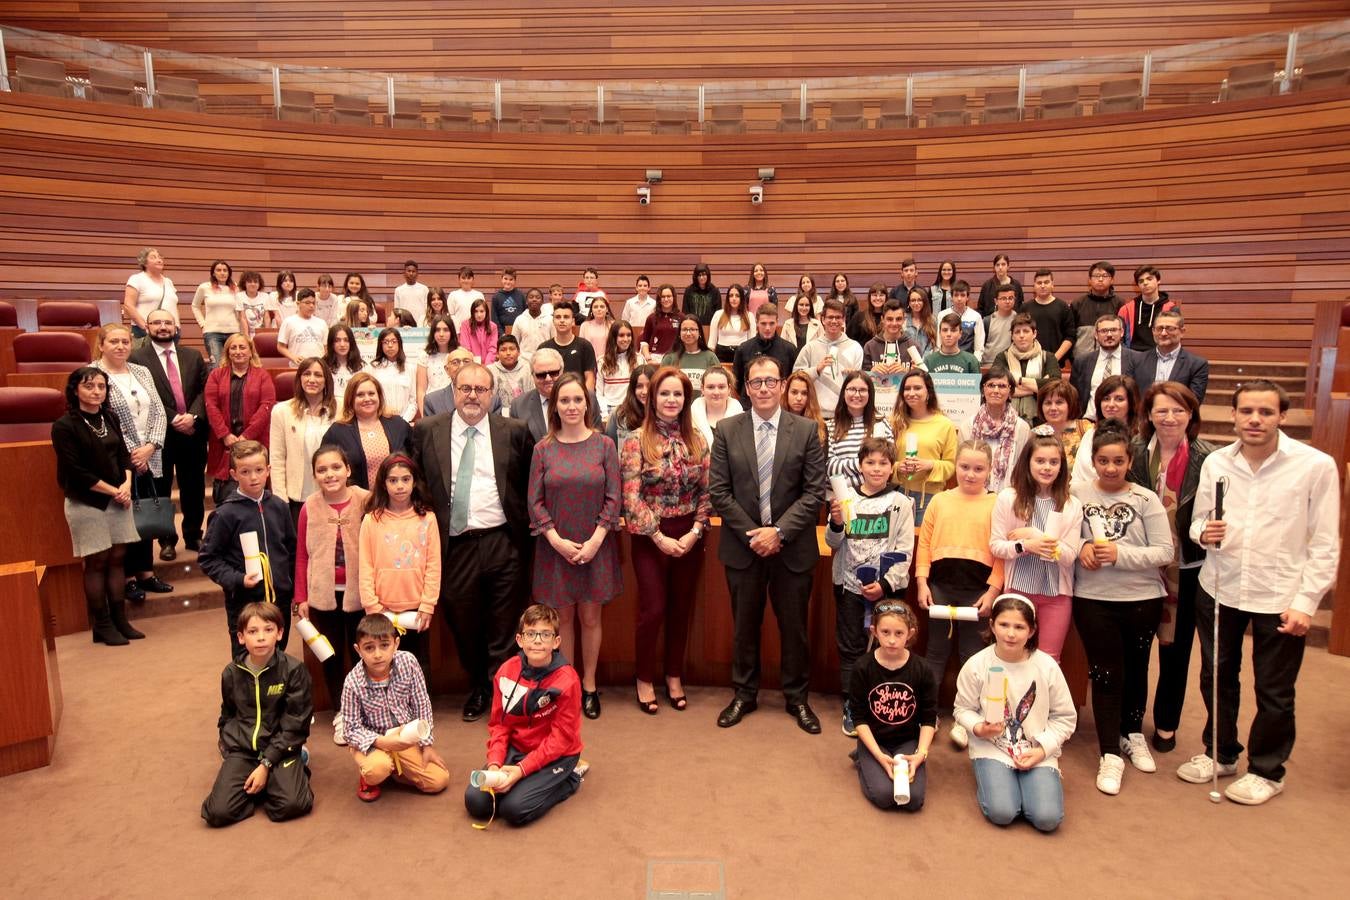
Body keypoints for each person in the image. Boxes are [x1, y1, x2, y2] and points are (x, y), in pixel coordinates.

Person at [1179, 380, 1339, 805]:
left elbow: (1326, 543)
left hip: (1279, 593)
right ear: (1233, 415)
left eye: (1265, 412)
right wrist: (1203, 532)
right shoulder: (1216, 462)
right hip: (1221, 585)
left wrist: (1307, 602)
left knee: (1274, 689)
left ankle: (1268, 771)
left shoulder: (1315, 465)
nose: (1255, 419)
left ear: (1282, 416)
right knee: (1216, 677)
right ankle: (1220, 752)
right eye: (1247, 411)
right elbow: (1198, 523)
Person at [709, 356, 827, 733]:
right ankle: (744, 694)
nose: (763, 388)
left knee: (794, 629)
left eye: (770, 381)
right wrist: (756, 534)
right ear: (746, 387)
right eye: (756, 382)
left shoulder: (806, 430)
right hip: (743, 548)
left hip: (792, 549)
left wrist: (778, 532)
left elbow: (814, 493)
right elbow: (719, 492)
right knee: (744, 626)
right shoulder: (726, 430)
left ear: (782, 385)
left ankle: (797, 698)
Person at [413, 361, 536, 722]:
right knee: (462, 621)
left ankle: (499, 693)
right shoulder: (428, 430)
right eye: (465, 388)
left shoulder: (514, 431)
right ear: (453, 391)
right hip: (455, 545)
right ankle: (480, 683)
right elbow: (418, 481)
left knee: (504, 624)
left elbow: (527, 482)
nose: (472, 396)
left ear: (492, 395)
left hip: (503, 541)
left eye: (480, 389)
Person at [1071, 421, 1173, 795]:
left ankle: (1132, 733)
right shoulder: (1077, 494)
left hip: (1141, 599)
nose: (1110, 468)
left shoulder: (1145, 499)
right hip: (1094, 599)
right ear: (1093, 461)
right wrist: (1081, 548)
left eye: (1118, 461)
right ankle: (1110, 752)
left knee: (1136, 669)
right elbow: (1062, 538)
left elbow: (1165, 552)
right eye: (1103, 461)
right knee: (1105, 673)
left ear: (1129, 461)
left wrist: (1120, 554)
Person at [1125, 382, 1215, 754]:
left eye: (1178, 410)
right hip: (1141, 563)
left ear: (1191, 414)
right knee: (1136, 647)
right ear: (1149, 414)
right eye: (1161, 410)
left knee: (1176, 649)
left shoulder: (1207, 458)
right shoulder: (1133, 451)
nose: (1170, 417)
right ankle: (1130, 723)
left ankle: (1166, 723)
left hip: (1186, 566)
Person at [527, 373, 621, 719]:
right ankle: (566, 687)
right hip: (556, 547)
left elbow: (614, 497)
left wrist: (595, 540)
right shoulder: (543, 449)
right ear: (554, 406)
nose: (571, 406)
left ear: (587, 404)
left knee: (591, 617)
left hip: (596, 544)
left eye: (577, 400)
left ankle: (590, 685)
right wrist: (556, 540)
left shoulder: (604, 445)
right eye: (564, 400)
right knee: (562, 618)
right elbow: (534, 502)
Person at [621, 366, 712, 715]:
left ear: (686, 399)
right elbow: (631, 497)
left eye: (678, 394)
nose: (671, 399)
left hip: (689, 534)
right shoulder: (635, 440)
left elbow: (707, 491)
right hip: (650, 536)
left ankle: (674, 675)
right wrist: (658, 536)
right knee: (654, 609)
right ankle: (644, 677)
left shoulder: (698, 439)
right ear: (652, 398)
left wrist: (695, 531)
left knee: (680, 608)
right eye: (664, 393)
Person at [954, 595, 1077, 832]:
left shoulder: (1047, 666)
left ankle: (1030, 787)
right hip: (992, 747)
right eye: (1004, 625)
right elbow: (963, 709)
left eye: (1019, 627)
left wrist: (1042, 750)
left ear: (1032, 631)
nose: (1011, 634)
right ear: (992, 626)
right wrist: (979, 728)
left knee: (1047, 819)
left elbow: (1064, 717)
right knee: (1002, 812)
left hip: (1035, 748)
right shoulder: (977, 664)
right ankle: (995, 780)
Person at [916, 440, 1005, 749]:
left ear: (989, 470)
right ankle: (927, 714)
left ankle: (967, 717)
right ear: (955, 466)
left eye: (978, 468)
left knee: (972, 655)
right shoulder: (940, 501)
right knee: (936, 651)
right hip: (940, 586)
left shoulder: (997, 503)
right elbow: (924, 544)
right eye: (964, 467)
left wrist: (993, 590)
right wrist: (922, 582)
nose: (970, 474)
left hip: (978, 591)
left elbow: (1002, 553)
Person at [464, 605, 586, 827]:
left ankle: (571, 777)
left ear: (556, 642)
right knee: (476, 802)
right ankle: (525, 780)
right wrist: (494, 764)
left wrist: (521, 770)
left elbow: (561, 740)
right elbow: (499, 725)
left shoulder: (568, 680)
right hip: (517, 748)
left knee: (513, 809)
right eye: (531, 634)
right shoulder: (506, 671)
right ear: (520, 640)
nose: (537, 641)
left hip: (558, 755)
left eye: (545, 634)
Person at [827, 438, 915, 736]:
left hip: (887, 590)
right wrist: (836, 522)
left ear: (892, 467)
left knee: (886, 646)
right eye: (870, 462)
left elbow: (905, 550)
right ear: (860, 466)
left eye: (883, 463)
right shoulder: (846, 498)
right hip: (849, 587)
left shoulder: (901, 503)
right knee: (851, 647)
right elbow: (833, 543)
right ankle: (853, 705)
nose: (876, 469)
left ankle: (881, 702)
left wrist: (886, 584)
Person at [200, 602, 313, 827]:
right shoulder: (231, 672)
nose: (261, 637)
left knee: (293, 805)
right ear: (241, 637)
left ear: (279, 633)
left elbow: (296, 725)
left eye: (268, 630)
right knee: (217, 813)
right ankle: (265, 783)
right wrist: (229, 744)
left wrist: (266, 764)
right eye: (253, 631)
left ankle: (295, 763)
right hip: (244, 750)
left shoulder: (294, 670)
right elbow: (228, 713)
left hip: (281, 748)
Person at [52, 367, 142, 645]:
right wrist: (114, 491)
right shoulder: (64, 426)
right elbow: (76, 471)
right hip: (87, 501)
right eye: (89, 386)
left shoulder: (110, 417)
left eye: (101, 386)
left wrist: (126, 484)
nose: (96, 391)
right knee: (96, 561)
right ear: (75, 390)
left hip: (118, 498)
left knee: (117, 558)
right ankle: (102, 624)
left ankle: (120, 619)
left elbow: (124, 456)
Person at [294, 444, 369, 745]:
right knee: (331, 655)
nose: (330, 474)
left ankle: (367, 710)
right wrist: (301, 597)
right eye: (322, 470)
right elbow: (302, 555)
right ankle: (342, 712)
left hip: (361, 595)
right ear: (314, 475)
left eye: (336, 467)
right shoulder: (309, 507)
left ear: (348, 469)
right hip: (323, 596)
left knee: (365, 654)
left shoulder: (365, 500)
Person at [94, 323, 172, 601]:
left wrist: (151, 446)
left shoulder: (141, 371)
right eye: (113, 341)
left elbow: (159, 411)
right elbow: (103, 418)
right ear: (101, 345)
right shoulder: (94, 374)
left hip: (152, 454)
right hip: (118, 457)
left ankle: (146, 572)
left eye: (125, 341)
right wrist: (133, 454)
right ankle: (127, 577)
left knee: (147, 511)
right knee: (125, 517)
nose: (120, 346)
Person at [990, 431, 1083, 661]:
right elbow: (997, 546)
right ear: (1028, 462)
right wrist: (1025, 545)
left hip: (1056, 595)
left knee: (1049, 660)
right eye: (1040, 461)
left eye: (1054, 462)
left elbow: (1069, 555)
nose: (1047, 468)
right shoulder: (1008, 498)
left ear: (1062, 466)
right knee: (1013, 655)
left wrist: (1034, 534)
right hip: (1018, 591)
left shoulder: (1071, 504)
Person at [199, 440, 297, 656]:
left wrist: (293, 590)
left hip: (279, 601)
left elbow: (291, 551)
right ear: (233, 474)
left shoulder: (279, 507)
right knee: (248, 661)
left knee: (278, 656)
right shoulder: (225, 514)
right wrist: (238, 579)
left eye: (259, 470)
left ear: (268, 470)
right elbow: (208, 559)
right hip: (245, 603)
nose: (253, 477)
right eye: (245, 472)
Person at [341, 613, 450, 802]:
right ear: (358, 650)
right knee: (376, 769)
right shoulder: (352, 682)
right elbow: (350, 730)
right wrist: (383, 743)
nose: (377, 654)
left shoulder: (408, 662)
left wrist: (426, 745)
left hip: (404, 737)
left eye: (384, 645)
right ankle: (372, 773)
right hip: (373, 741)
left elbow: (422, 703)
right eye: (369, 648)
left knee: (439, 780)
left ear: (396, 644)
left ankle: (395, 771)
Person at [131, 308, 209, 559]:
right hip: (158, 437)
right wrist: (173, 417)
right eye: (157, 323)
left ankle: (194, 534)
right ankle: (166, 540)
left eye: (167, 322)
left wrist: (193, 415)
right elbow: (142, 395)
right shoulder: (136, 358)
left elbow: (204, 390)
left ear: (176, 327)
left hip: (192, 433)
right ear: (147, 327)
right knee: (161, 488)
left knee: (193, 487)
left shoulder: (193, 356)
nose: (162, 327)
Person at [847, 601, 934, 811]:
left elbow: (929, 717)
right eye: (885, 632)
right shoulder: (862, 667)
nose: (892, 640)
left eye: (899, 633)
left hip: (907, 741)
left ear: (909, 634)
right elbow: (858, 717)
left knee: (913, 800)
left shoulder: (922, 669)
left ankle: (873, 760)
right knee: (884, 796)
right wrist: (878, 755)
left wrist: (921, 754)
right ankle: (862, 757)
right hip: (874, 740)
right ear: (874, 632)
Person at [358, 454, 441, 667]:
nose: (400, 486)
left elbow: (433, 565)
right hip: (381, 609)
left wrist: (428, 604)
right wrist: (372, 606)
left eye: (405, 479)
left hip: (417, 610)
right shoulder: (371, 520)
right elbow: (365, 565)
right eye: (393, 480)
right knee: (384, 666)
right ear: (383, 484)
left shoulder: (428, 518)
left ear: (414, 482)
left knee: (418, 666)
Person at [205, 333, 276, 504]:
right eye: (233, 348)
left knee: (255, 490)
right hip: (224, 444)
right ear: (227, 352)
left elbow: (266, 406)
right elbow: (211, 405)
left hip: (254, 441)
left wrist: (246, 437)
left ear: (251, 351)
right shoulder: (216, 375)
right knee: (225, 498)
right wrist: (225, 435)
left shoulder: (262, 375)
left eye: (242, 347)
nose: (238, 351)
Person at [321, 373, 413, 491]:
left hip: (396, 498)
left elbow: (415, 458)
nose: (367, 399)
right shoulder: (337, 431)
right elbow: (326, 467)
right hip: (357, 499)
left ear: (379, 396)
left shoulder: (398, 424)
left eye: (371, 393)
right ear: (350, 399)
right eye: (360, 395)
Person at [269, 358, 335, 521]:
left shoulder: (341, 408)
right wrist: (280, 498)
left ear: (326, 380)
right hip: (297, 496)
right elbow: (277, 458)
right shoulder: (282, 411)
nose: (312, 379)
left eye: (318, 375)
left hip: (333, 493)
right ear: (299, 378)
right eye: (307, 374)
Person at [890, 369, 957, 525]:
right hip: (897, 493)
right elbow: (883, 461)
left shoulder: (945, 424)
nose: (911, 393)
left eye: (917, 388)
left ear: (929, 392)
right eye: (907, 389)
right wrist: (898, 467)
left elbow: (951, 465)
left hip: (930, 497)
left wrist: (930, 465)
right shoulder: (894, 422)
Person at [794, 298, 863, 420]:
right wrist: (816, 370)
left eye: (838, 317)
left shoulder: (855, 347)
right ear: (823, 319)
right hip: (816, 415)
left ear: (843, 320)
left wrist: (854, 376)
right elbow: (796, 378)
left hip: (846, 415)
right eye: (830, 317)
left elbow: (862, 384)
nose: (834, 321)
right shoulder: (810, 347)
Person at [512, 348, 601, 441]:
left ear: (562, 371)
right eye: (541, 375)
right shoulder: (519, 406)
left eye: (553, 373)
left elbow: (598, 438)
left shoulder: (587, 397)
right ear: (532, 376)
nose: (548, 379)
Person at [826, 370, 894, 492]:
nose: (857, 395)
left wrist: (864, 468)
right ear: (844, 392)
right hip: (839, 497)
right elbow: (830, 467)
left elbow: (886, 465)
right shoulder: (829, 427)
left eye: (862, 390)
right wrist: (865, 464)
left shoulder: (881, 423)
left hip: (875, 495)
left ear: (870, 394)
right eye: (852, 389)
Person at [968, 367, 1031, 494]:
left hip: (1010, 496)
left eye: (1002, 386)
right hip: (975, 494)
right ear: (983, 390)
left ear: (1010, 392)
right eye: (991, 385)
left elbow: (1024, 468)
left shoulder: (1022, 428)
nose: (996, 390)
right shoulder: (968, 426)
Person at [1071, 375, 1143, 484]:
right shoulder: (1090, 434)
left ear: (1131, 403)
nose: (1111, 404)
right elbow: (1076, 477)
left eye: (1119, 399)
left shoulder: (1140, 438)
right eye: (1106, 399)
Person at [1070, 314, 1143, 420]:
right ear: (1096, 335)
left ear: (1122, 332)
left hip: (1125, 423)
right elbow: (1074, 397)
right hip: (1089, 422)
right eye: (1104, 331)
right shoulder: (1082, 362)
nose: (1109, 335)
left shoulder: (1138, 359)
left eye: (1113, 330)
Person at [1132, 310, 1209, 403]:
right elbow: (1132, 396)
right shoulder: (1137, 360)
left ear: (1182, 332)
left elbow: (1194, 401)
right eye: (1159, 328)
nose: (1163, 333)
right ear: (1153, 331)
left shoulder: (1197, 365)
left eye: (1170, 328)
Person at [861, 299, 920, 417]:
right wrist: (872, 372)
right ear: (882, 319)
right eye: (889, 319)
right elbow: (862, 380)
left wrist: (907, 372)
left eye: (898, 319)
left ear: (904, 320)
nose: (894, 323)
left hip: (905, 407)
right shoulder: (870, 346)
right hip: (877, 407)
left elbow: (921, 380)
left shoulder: (913, 346)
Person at [1001, 313, 1060, 422]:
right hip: (1006, 419)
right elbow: (1000, 388)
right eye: (1017, 332)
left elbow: (1055, 385)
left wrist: (1018, 380)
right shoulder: (1002, 357)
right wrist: (1037, 389)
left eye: (1026, 331)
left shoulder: (1048, 357)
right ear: (1012, 336)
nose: (1021, 335)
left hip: (1042, 419)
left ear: (1034, 334)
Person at [733, 303, 796, 395]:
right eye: (763, 323)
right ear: (757, 322)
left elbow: (792, 381)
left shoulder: (789, 349)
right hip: (749, 401)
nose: (767, 328)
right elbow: (737, 383)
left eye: (771, 323)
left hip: (780, 400)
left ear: (777, 322)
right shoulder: (743, 349)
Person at [1070, 261, 1123, 363]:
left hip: (1112, 359)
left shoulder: (1120, 303)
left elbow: (1123, 335)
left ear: (1112, 280)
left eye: (1105, 276)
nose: (1100, 279)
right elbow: (1070, 334)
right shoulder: (1078, 303)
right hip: (1082, 360)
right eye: (1096, 276)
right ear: (1089, 280)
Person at [123, 246, 179, 339]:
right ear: (144, 263)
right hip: (145, 332)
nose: (159, 260)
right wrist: (145, 327)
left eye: (160, 257)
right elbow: (128, 306)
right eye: (153, 257)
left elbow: (173, 306)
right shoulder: (137, 279)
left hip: (170, 332)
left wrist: (177, 326)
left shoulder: (168, 281)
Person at [541, 303, 598, 393]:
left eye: (566, 317)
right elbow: (541, 379)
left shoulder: (585, 346)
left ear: (573, 321)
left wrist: (586, 398)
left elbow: (590, 378)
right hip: (552, 397)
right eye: (558, 317)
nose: (562, 320)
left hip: (579, 396)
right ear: (553, 321)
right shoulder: (544, 348)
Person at [1120, 264, 1179, 351]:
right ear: (1138, 285)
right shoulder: (1126, 309)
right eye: (1141, 281)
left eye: (1149, 279)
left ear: (1158, 281)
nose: (1145, 283)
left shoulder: (1171, 309)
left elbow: (1175, 338)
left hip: (1160, 355)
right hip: (1132, 355)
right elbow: (1119, 337)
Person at [1036, 381, 1092, 470]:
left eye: (1059, 402)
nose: (1053, 408)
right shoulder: (1036, 434)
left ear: (1070, 404)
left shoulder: (1086, 429)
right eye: (1048, 403)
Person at [1024, 269, 1073, 368]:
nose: (1042, 286)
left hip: (1056, 363)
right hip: (1029, 363)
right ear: (1034, 286)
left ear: (1052, 285)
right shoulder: (1025, 308)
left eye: (1046, 282)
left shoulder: (1063, 307)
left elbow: (1070, 337)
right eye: (1039, 283)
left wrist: (1054, 359)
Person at [192, 260, 237, 365]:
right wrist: (202, 324)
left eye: (225, 270)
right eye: (219, 270)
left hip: (234, 332)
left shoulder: (235, 288)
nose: (222, 273)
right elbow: (195, 306)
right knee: (217, 365)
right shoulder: (204, 287)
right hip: (213, 333)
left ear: (229, 273)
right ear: (213, 273)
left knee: (235, 365)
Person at [661, 314, 719, 396]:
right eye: (684, 329)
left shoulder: (710, 357)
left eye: (692, 329)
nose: (688, 333)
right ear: (679, 333)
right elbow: (661, 386)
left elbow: (718, 383)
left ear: (699, 332)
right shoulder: (669, 358)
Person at [369, 328, 417, 423]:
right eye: (385, 342)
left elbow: (413, 401)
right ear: (380, 345)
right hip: (379, 420)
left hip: (404, 419)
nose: (390, 345)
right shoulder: (373, 368)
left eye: (394, 342)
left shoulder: (409, 368)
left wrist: (404, 421)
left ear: (399, 344)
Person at [417, 315, 459, 416]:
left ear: (452, 332)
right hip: (431, 406)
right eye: (437, 330)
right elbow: (421, 390)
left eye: (446, 330)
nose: (441, 334)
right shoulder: (424, 356)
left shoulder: (459, 354)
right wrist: (424, 416)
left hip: (455, 405)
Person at [605, 363, 654, 449]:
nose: (645, 391)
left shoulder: (663, 415)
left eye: (649, 386)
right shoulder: (618, 414)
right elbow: (610, 449)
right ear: (632, 389)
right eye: (639, 386)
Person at [690, 364, 742, 445]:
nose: (716, 392)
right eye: (710, 387)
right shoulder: (689, 419)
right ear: (702, 389)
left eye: (721, 387)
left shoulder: (741, 419)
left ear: (729, 389)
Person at [598, 321, 640, 423]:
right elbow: (599, 392)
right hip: (609, 409)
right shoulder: (602, 362)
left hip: (632, 408)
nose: (626, 339)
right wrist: (605, 414)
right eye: (621, 335)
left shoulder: (639, 359)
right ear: (613, 338)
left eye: (628, 335)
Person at [276, 289, 329, 366]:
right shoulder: (288, 322)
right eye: (307, 303)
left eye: (313, 303)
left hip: (318, 366)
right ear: (298, 304)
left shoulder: (322, 323)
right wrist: (293, 357)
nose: (311, 306)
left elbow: (326, 348)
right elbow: (280, 347)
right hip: (296, 366)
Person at [324, 322, 364, 414]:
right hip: (329, 411)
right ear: (331, 343)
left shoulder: (363, 367)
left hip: (356, 411)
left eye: (346, 340)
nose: (342, 344)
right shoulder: (323, 366)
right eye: (337, 340)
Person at [709, 283, 752, 364]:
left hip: (742, 354)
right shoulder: (718, 314)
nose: (734, 299)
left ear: (742, 298)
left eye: (737, 296)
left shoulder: (749, 316)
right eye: (731, 296)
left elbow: (752, 341)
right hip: (721, 354)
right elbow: (712, 342)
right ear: (727, 298)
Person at [783, 370, 828, 448]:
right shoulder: (777, 421)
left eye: (804, 393)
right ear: (786, 393)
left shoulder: (820, 426)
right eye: (794, 392)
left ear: (810, 396)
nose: (799, 398)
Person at [489, 334, 531, 415]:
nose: (508, 353)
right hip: (498, 415)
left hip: (524, 413)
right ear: (497, 353)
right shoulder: (490, 370)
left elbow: (532, 396)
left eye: (512, 349)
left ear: (519, 352)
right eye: (503, 350)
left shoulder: (527, 369)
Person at [641, 283, 682, 362]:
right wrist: (648, 358)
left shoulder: (681, 317)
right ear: (659, 299)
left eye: (669, 296)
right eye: (663, 297)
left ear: (674, 297)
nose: (666, 299)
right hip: (655, 358)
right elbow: (644, 342)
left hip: (676, 358)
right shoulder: (651, 318)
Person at [512, 287, 553, 362]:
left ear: (542, 302)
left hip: (545, 359)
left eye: (538, 297)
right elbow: (514, 342)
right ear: (526, 301)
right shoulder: (519, 319)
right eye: (531, 297)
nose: (534, 299)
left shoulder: (550, 319)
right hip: (524, 360)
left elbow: (554, 340)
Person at [981, 284, 1018, 367]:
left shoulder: (1018, 320)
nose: (1007, 301)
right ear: (996, 301)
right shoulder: (987, 321)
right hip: (989, 364)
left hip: (1011, 364)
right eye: (1003, 298)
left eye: (1010, 298)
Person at [780, 283, 823, 350]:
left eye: (807, 305)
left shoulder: (817, 324)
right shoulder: (787, 324)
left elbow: (823, 345)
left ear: (810, 307)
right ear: (796, 306)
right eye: (801, 305)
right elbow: (782, 346)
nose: (804, 308)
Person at [461, 298, 499, 364]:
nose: (479, 315)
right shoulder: (465, 325)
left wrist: (487, 365)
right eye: (476, 311)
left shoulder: (493, 326)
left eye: (482, 311)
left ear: (486, 312)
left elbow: (492, 349)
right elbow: (466, 347)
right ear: (472, 312)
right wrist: (473, 364)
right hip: (471, 364)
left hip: (488, 364)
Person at [448, 266, 485, 330]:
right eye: (463, 278)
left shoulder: (479, 295)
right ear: (459, 279)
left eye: (468, 278)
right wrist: (457, 330)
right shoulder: (453, 295)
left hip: (476, 330)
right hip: (458, 331)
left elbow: (483, 314)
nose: (466, 280)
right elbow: (450, 315)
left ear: (473, 280)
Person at [579, 295, 614, 362]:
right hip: (589, 362)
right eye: (595, 307)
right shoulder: (585, 325)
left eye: (602, 307)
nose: (599, 309)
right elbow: (581, 347)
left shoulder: (613, 325)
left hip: (609, 362)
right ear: (591, 310)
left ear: (607, 309)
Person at [394, 259, 430, 325]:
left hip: (421, 324)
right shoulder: (398, 290)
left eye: (413, 271)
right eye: (409, 271)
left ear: (417, 274)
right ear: (404, 273)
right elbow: (397, 311)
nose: (411, 273)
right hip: (405, 325)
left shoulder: (424, 289)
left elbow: (428, 309)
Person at [234, 271, 269, 338]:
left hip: (261, 333)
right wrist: (247, 336)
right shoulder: (240, 296)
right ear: (245, 283)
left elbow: (266, 317)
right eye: (249, 282)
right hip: (245, 332)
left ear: (259, 284)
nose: (253, 284)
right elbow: (242, 318)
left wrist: (266, 334)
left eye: (255, 282)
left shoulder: (265, 296)